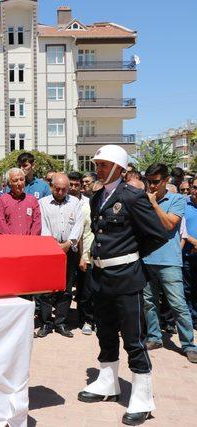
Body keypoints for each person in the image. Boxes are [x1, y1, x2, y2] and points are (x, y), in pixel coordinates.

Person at [77, 145, 167, 426]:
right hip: (101, 277)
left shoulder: (132, 196)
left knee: (133, 339)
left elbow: (157, 234)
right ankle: (107, 382)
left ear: (120, 168)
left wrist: (130, 254)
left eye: (104, 165)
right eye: (97, 164)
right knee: (104, 332)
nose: (98, 169)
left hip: (126, 277)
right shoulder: (97, 197)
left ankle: (142, 398)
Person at [140, 163, 197, 362]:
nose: (152, 186)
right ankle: (155, 337)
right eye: (149, 182)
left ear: (166, 180)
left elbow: (169, 225)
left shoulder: (177, 199)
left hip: (169, 261)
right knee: (149, 303)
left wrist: (154, 204)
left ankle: (189, 344)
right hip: (146, 259)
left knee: (178, 304)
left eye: (155, 182)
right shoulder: (143, 200)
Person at [36, 173, 83, 338]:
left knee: (66, 287)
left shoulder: (76, 203)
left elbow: (79, 225)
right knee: (46, 288)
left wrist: (69, 243)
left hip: (69, 249)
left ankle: (61, 322)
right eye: (58, 189)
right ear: (51, 187)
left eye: (64, 189)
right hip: (49, 249)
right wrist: (54, 245)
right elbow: (42, 225)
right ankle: (46, 323)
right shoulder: (42, 203)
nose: (61, 192)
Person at [69, 171, 95, 335]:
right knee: (79, 289)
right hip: (73, 251)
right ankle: (81, 318)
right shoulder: (67, 203)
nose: (73, 188)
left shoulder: (89, 204)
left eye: (76, 184)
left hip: (92, 252)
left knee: (91, 288)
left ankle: (91, 319)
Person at [0, 168, 41, 236]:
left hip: (29, 243)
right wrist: (12, 240)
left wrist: (31, 240)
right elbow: (0, 223)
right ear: (9, 183)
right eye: (15, 180)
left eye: (22, 179)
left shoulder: (32, 200)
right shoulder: (1, 200)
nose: (19, 183)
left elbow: (37, 223)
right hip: (8, 242)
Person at [182, 177, 197, 328]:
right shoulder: (183, 203)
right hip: (187, 254)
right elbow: (178, 228)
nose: (195, 191)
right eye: (194, 187)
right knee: (187, 289)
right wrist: (194, 242)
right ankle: (190, 319)